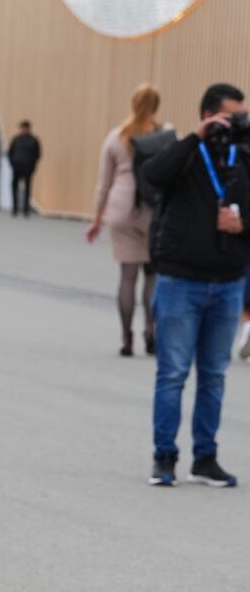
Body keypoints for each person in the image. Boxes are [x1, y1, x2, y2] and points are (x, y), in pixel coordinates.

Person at [140, 82, 250, 489]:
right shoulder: (185, 155)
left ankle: (206, 458)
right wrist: (194, 139)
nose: (236, 124)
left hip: (227, 284)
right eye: (230, 117)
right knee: (171, 374)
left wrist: (243, 225)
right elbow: (152, 178)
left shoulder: (243, 159)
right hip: (180, 282)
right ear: (208, 115)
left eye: (242, 116)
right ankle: (164, 457)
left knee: (214, 376)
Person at [88, 85, 164, 356]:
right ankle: (151, 330)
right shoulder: (164, 134)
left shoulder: (116, 137)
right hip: (153, 209)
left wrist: (97, 218)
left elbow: (104, 183)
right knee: (152, 275)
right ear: (156, 105)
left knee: (127, 277)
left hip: (122, 207)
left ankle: (126, 338)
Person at [8, 120, 41, 217]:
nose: (23, 130)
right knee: (14, 187)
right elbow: (10, 153)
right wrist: (12, 164)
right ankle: (15, 208)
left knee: (27, 188)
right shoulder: (16, 139)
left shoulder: (33, 140)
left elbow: (37, 154)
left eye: (25, 128)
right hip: (17, 166)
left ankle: (26, 210)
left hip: (28, 167)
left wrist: (33, 165)